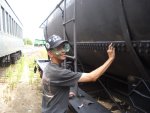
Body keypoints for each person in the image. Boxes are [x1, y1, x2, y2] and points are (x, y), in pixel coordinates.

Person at [42, 35, 115, 113]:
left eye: (63, 47)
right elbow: (92, 77)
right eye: (58, 49)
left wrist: (64, 94)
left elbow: (50, 88)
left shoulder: (49, 67)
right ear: (50, 54)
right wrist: (110, 59)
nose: (63, 51)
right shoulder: (57, 72)